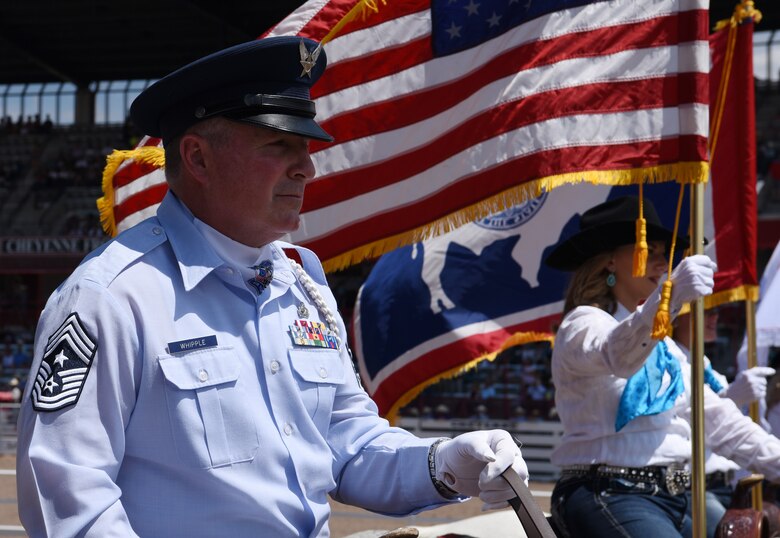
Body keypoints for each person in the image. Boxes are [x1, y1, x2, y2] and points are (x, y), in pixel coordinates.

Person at [16, 37, 528, 537]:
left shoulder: (301, 282)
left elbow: (347, 447)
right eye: (279, 144)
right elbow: (70, 495)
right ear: (197, 158)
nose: (306, 167)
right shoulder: (111, 296)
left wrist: (444, 464)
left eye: (305, 147)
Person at [543, 196, 780, 538]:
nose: (661, 263)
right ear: (610, 260)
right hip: (609, 491)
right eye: (650, 251)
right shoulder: (582, 324)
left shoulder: (666, 347)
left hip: (681, 495)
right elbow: (618, 356)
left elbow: (718, 422)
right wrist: (668, 299)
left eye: (663, 255)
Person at [673, 307, 776, 535]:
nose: (714, 317)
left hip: (729, 486)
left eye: (717, 310)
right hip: (696, 487)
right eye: (704, 310)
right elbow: (687, 427)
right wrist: (732, 397)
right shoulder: (673, 366)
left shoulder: (707, 368)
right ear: (676, 317)